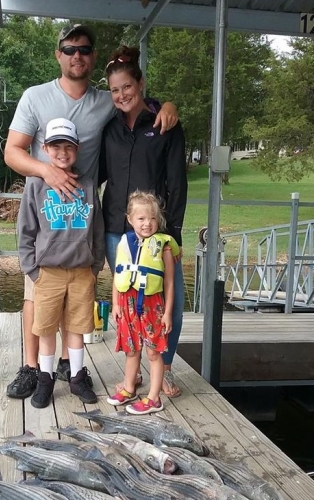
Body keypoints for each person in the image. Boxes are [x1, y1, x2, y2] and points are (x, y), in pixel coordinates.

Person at [4, 23, 179, 400]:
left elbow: (134, 100)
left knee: (79, 306)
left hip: (83, 218)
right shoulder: (35, 96)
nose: (76, 55)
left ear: (93, 56)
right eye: (68, 49)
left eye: (83, 49)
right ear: (58, 55)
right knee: (37, 298)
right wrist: (46, 170)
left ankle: (75, 367)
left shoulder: (104, 100)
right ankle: (33, 369)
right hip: (48, 220)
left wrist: (167, 105)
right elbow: (12, 151)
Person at [99, 45, 188, 398]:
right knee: (129, 303)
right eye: (115, 90)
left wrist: (174, 235)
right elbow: (98, 174)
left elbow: (177, 183)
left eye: (127, 87)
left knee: (170, 302)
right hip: (116, 233)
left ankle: (162, 368)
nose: (121, 95)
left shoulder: (165, 123)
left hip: (158, 233)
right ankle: (134, 371)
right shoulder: (109, 129)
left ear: (140, 83)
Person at [17, 117, 104, 408]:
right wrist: (33, 270)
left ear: (77, 150)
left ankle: (77, 378)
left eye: (68, 146)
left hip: (81, 271)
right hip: (48, 273)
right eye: (56, 147)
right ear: (45, 148)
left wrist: (95, 267)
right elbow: (25, 230)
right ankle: (45, 379)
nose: (62, 152)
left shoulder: (89, 184)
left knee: (77, 327)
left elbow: (98, 230)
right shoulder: (35, 184)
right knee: (45, 329)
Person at [107, 192, 179, 414]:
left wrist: (167, 313)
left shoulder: (164, 247)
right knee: (131, 349)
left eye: (152, 219)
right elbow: (118, 276)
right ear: (130, 219)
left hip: (152, 305)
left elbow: (168, 284)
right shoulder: (125, 243)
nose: (147, 223)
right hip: (127, 303)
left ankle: (154, 398)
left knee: (153, 352)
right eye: (141, 219)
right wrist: (115, 304)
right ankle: (129, 388)